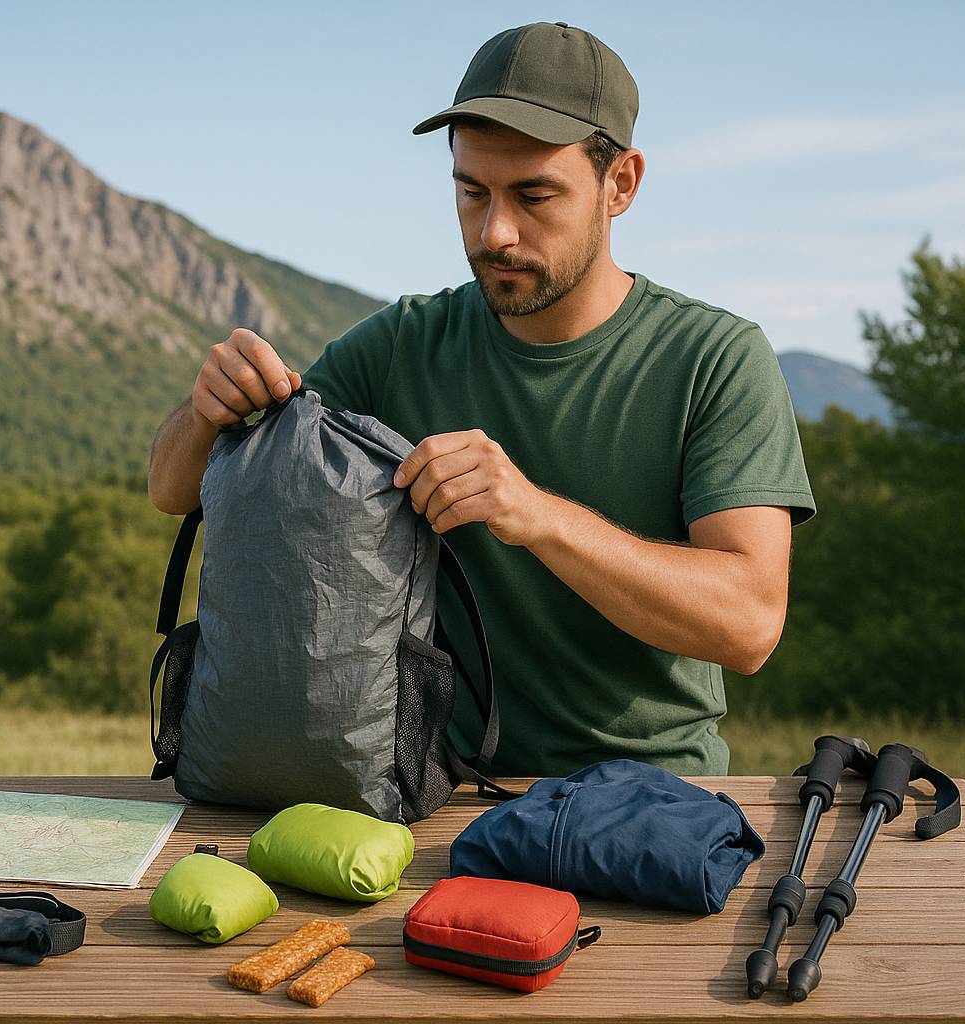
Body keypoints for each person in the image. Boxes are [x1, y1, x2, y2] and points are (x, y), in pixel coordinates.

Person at [145, 22, 816, 777]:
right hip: (439, 792)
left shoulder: (716, 360)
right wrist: (206, 413)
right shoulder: (402, 342)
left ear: (620, 184)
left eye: (535, 196)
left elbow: (750, 624)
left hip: (650, 800)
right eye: (472, 193)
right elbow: (172, 491)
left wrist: (539, 517)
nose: (495, 231)